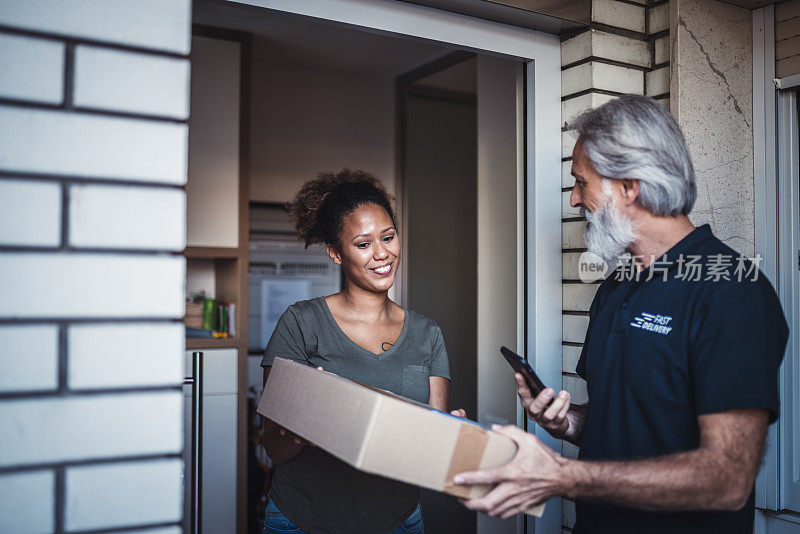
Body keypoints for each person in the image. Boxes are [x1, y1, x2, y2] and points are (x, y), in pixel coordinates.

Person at [453, 94, 788, 534]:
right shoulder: (618, 285)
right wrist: (567, 422)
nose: (574, 199)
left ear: (630, 186)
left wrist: (563, 475)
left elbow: (726, 479)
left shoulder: (732, 291)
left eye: (581, 182)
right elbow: (625, 422)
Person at [260, 169, 464, 534]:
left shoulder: (427, 335)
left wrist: (452, 439)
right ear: (336, 253)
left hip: (399, 522)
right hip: (302, 521)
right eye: (363, 243)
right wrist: (304, 421)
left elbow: (429, 457)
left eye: (388, 237)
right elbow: (274, 447)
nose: (382, 253)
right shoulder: (301, 323)